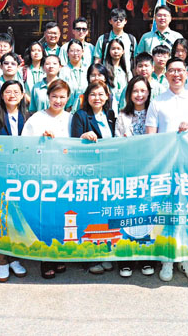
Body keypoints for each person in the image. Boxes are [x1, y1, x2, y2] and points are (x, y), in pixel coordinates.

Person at [145, 57, 188, 282]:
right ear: (166, 73)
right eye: (172, 70)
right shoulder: (158, 101)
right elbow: (150, 135)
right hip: (166, 165)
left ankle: (185, 258)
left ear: (187, 73)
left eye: (180, 70)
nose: (176, 74)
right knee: (166, 212)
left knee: (186, 212)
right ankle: (167, 259)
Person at [22, 78, 73, 280]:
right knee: (46, 216)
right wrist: (41, 140)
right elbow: (25, 145)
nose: (58, 101)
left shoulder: (71, 118)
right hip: (44, 175)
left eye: (62, 97)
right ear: (48, 97)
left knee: (63, 216)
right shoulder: (36, 119)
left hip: (66, 175)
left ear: (68, 98)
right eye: (54, 96)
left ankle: (59, 254)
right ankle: (46, 258)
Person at [0, 79, 29, 282]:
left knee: (17, 217)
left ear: (22, 95)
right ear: (2, 95)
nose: (12, 95)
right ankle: (1, 260)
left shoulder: (28, 116)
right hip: (0, 172)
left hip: (23, 173)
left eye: (16, 92)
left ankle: (15, 258)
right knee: (0, 217)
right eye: (8, 92)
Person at [70, 81, 118, 276]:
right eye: (93, 94)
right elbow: (74, 142)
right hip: (89, 171)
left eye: (101, 94)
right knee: (90, 214)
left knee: (105, 214)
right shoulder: (81, 116)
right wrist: (83, 136)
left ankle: (105, 254)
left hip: (109, 170)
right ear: (86, 97)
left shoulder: (111, 115)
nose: (97, 98)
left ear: (107, 97)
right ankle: (90, 258)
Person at [113, 75, 156, 278]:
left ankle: (146, 256)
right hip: (127, 171)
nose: (139, 95)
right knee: (127, 212)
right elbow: (115, 141)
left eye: (143, 91)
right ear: (129, 94)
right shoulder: (122, 116)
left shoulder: (154, 113)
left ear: (148, 93)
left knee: (147, 212)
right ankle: (126, 258)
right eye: (135, 91)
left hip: (151, 171)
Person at [59, 40, 88, 111]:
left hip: (85, 111)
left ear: (82, 52)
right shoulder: (63, 71)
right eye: (72, 51)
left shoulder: (87, 70)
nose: (75, 53)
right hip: (68, 110)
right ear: (68, 53)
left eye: (78, 50)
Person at [103, 38, 130, 107]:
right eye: (113, 49)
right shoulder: (104, 70)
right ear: (109, 51)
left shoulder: (127, 71)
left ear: (123, 51)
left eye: (118, 49)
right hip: (109, 106)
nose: (116, 51)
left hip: (124, 106)